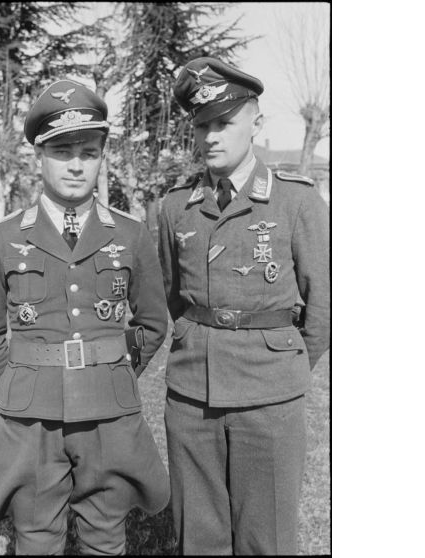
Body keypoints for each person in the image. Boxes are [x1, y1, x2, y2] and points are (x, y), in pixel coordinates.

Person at [0, 78, 170, 555]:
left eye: (89, 151)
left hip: (108, 413)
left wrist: (109, 369)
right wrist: (27, 376)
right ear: (39, 155)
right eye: (62, 150)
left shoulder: (133, 235)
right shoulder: (2, 238)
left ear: (101, 156)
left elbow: (153, 323)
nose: (76, 164)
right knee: (36, 533)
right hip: (31, 417)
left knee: (106, 532)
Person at [158, 57, 330, 555]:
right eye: (202, 125)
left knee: (267, 535)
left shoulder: (297, 202)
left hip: (269, 394)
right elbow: (174, 294)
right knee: (198, 533)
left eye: (224, 123)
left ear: (256, 123)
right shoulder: (174, 207)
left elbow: (322, 304)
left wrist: (285, 364)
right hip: (191, 394)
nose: (211, 136)